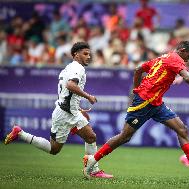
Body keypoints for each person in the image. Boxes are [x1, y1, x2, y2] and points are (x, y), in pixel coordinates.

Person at [83, 41, 189, 180]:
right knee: (125, 136)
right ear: (182, 50)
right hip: (144, 102)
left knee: (182, 129)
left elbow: (138, 70)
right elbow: (188, 78)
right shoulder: (175, 59)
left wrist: (136, 89)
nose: (187, 60)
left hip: (156, 103)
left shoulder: (163, 57)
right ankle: (92, 160)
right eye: (188, 57)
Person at [4, 42, 113, 178]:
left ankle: (92, 169)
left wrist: (78, 109)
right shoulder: (78, 68)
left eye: (89, 54)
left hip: (67, 111)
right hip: (65, 114)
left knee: (84, 139)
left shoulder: (67, 68)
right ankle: (92, 170)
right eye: (85, 54)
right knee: (62, 146)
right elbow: (71, 85)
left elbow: (66, 94)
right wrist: (88, 96)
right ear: (76, 55)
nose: (88, 57)